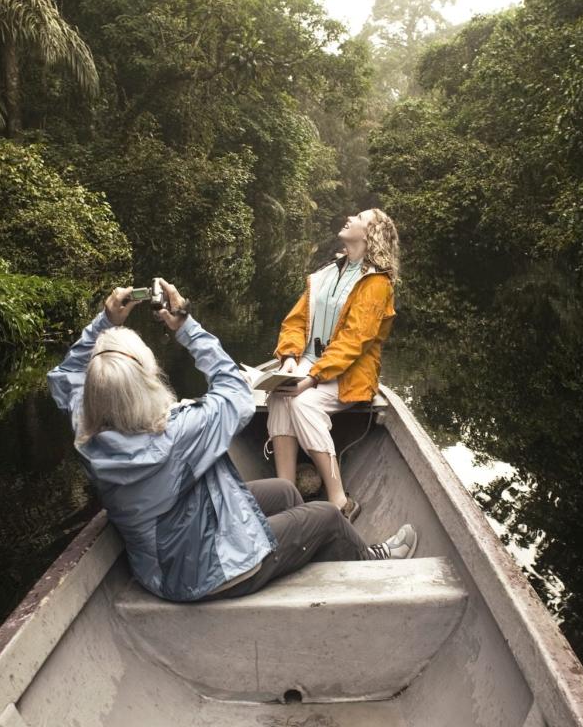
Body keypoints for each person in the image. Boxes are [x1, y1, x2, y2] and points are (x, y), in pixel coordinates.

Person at [47, 279, 418, 602]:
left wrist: (105, 322)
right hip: (210, 574)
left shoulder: (87, 430)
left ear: (94, 389)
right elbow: (236, 390)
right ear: (146, 382)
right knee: (326, 517)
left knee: (286, 493)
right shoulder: (179, 433)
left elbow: (65, 375)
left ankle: (315, 567)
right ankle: (372, 561)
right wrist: (184, 327)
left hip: (161, 565)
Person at [269, 208, 400, 522]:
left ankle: (340, 500)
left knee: (302, 404)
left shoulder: (376, 283)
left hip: (348, 375)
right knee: (278, 394)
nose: (350, 217)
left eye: (360, 217)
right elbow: (296, 321)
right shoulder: (327, 272)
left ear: (371, 234)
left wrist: (312, 377)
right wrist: (288, 359)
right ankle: (286, 492)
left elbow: (354, 341)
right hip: (310, 366)